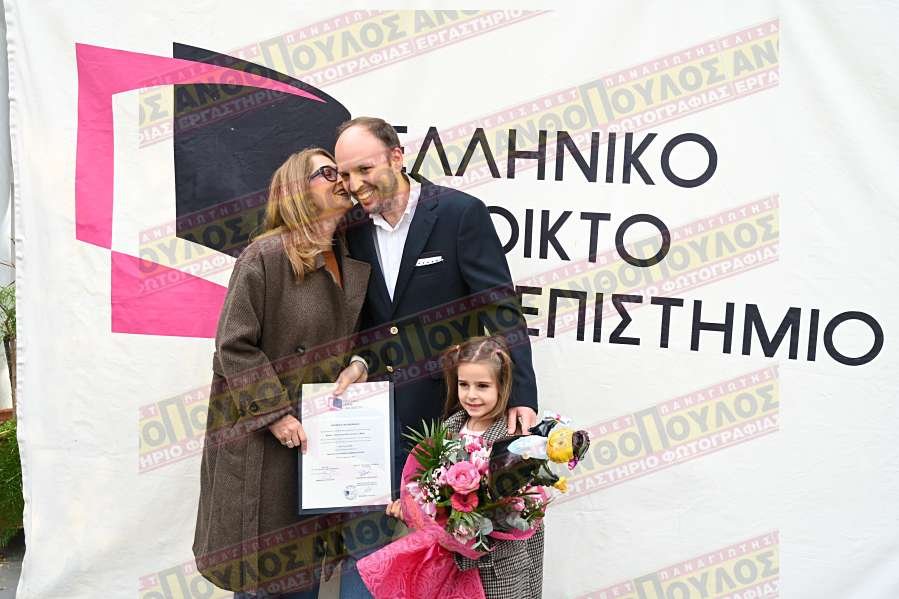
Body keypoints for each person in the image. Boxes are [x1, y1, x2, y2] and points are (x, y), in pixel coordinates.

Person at [192, 148, 374, 598]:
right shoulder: (266, 255)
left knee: (303, 578)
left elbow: (356, 338)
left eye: (340, 171)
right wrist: (275, 413)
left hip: (320, 443)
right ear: (297, 189)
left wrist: (358, 363)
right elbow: (233, 344)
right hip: (266, 442)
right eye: (327, 172)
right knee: (264, 578)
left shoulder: (349, 259)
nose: (341, 180)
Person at [332, 117, 540, 481]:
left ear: (396, 158)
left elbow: (500, 309)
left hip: (447, 417)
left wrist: (521, 394)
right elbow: (371, 318)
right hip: (372, 418)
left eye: (365, 169)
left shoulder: (459, 214)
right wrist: (360, 362)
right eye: (346, 175)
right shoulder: (351, 228)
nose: (355, 185)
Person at [385, 335, 544, 598]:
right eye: (463, 384)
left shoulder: (515, 440)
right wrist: (415, 510)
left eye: (482, 386)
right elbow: (429, 489)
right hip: (451, 570)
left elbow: (527, 511)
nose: (471, 395)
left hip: (497, 574)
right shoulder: (448, 430)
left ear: (502, 386)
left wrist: (484, 512)